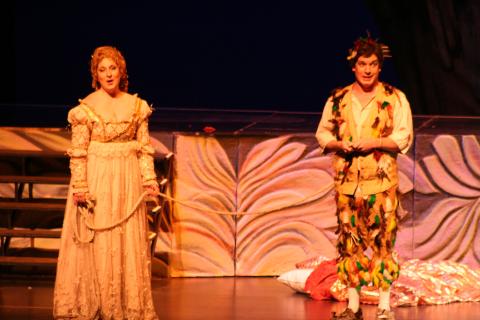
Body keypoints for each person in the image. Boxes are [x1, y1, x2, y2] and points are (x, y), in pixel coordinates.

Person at [53, 46, 159, 319]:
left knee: (125, 241)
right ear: (95, 75)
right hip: (98, 178)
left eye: (112, 68)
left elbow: (144, 148)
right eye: (102, 70)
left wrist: (149, 179)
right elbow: (78, 152)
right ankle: (95, 303)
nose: (108, 74)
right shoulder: (85, 109)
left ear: (121, 70)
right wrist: (80, 186)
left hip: (127, 179)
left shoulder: (137, 106)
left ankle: (125, 305)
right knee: (98, 241)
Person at [315, 36, 413, 320]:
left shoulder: (394, 97)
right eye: (362, 64)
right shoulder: (338, 99)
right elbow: (323, 132)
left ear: (380, 67)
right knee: (350, 243)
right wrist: (337, 145)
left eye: (372, 64)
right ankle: (353, 305)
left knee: (383, 241)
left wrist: (375, 142)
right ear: (353, 67)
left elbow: (403, 135)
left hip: (380, 184)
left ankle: (383, 306)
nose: (367, 70)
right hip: (348, 184)